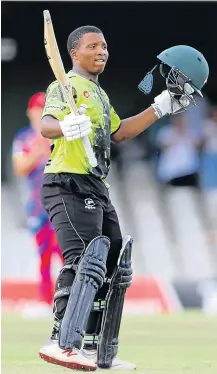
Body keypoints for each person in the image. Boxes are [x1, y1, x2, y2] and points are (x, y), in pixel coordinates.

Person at [38, 26, 209, 371]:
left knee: (114, 265)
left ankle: (97, 350)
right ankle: (61, 341)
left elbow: (121, 132)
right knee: (85, 259)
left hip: (97, 186)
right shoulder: (65, 86)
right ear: (74, 52)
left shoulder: (99, 96)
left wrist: (160, 107)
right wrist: (65, 125)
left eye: (104, 46)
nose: (102, 51)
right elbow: (46, 124)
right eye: (93, 46)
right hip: (67, 182)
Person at [12, 92, 63, 318]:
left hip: (61, 204)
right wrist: (37, 150)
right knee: (43, 256)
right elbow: (19, 168)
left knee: (66, 256)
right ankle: (45, 301)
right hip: (38, 206)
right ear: (29, 112)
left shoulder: (60, 136)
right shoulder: (24, 138)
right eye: (37, 109)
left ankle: (70, 301)